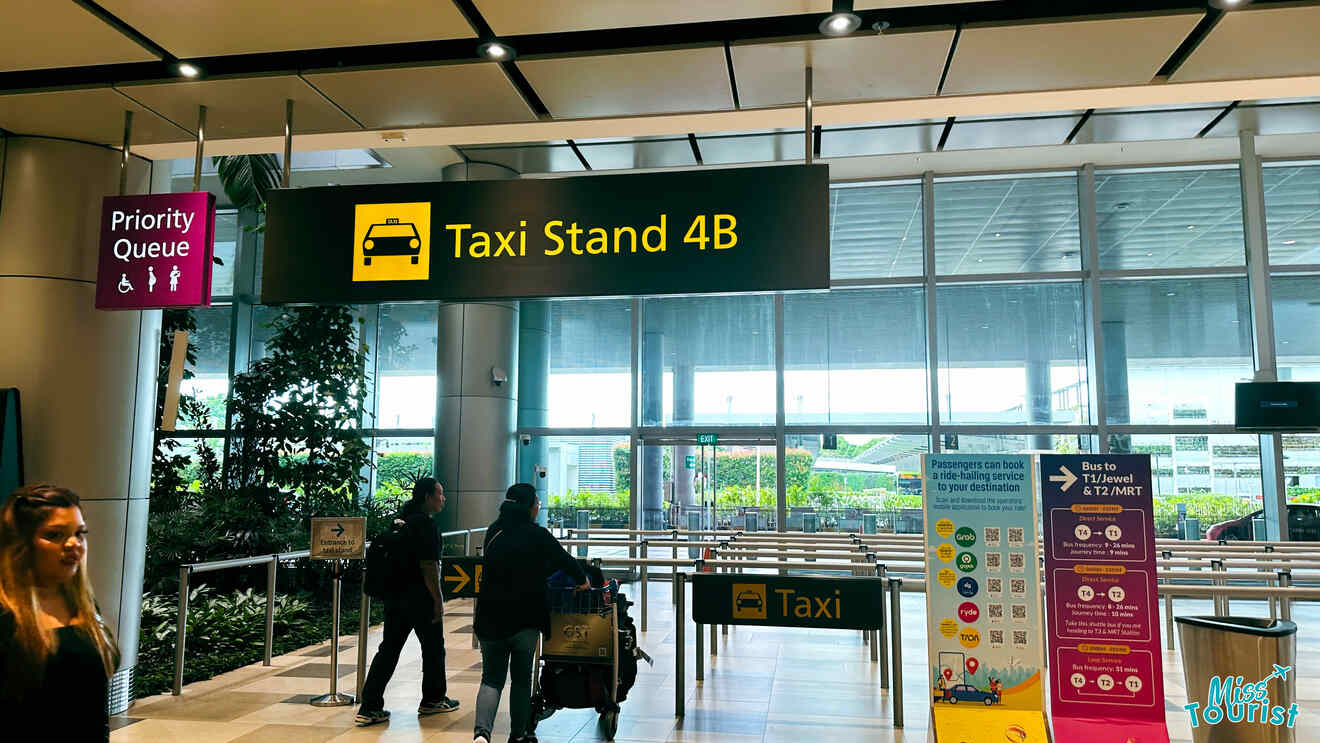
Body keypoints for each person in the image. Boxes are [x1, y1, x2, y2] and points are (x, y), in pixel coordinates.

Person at [0, 484, 119, 741]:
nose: (73, 544)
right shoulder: (6, 615)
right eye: (55, 535)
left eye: (80, 533)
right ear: (22, 544)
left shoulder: (85, 607)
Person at [473, 484, 588, 743]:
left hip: (490, 617)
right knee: (522, 680)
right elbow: (565, 561)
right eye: (537, 502)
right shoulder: (538, 535)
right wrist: (583, 580)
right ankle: (519, 735)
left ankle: (482, 733)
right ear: (527, 506)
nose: (539, 506)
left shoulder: (494, 531)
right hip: (525, 619)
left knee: (491, 679)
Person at [356, 477, 460, 726]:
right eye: (440, 494)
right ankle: (433, 700)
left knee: (389, 650)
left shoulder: (400, 522)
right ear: (427, 497)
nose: (443, 498)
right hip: (420, 598)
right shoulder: (425, 526)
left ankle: (369, 705)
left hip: (395, 597)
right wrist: (438, 599)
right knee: (434, 648)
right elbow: (428, 566)